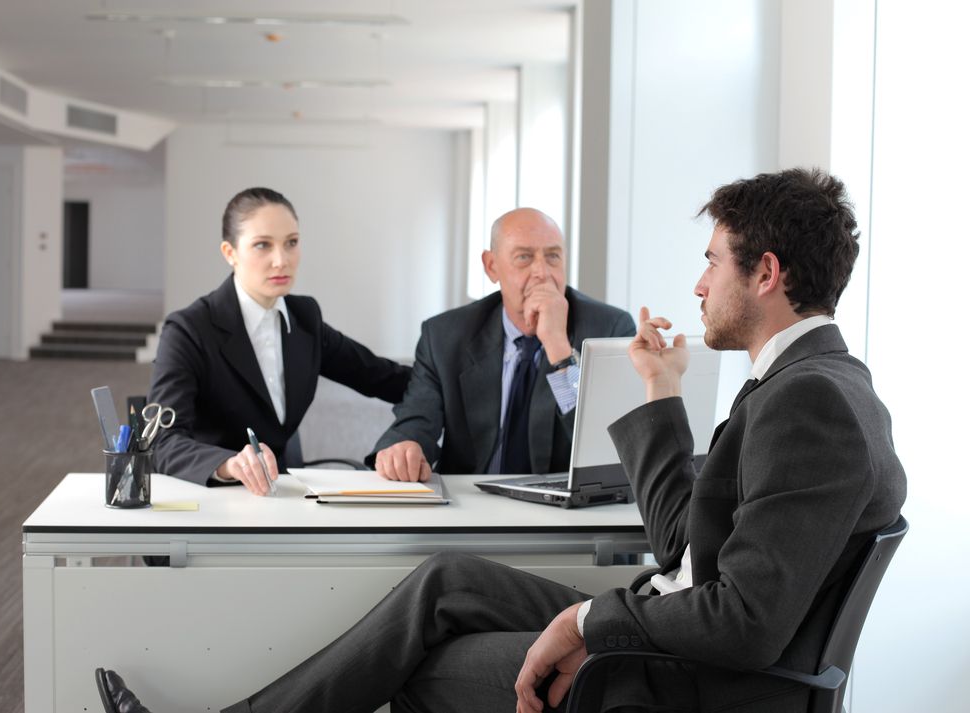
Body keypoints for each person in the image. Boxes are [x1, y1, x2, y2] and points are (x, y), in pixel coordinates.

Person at [96, 168, 906, 713]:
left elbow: (747, 624)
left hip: (688, 678)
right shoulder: (800, 384)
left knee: (417, 672)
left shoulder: (812, 406)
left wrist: (589, 622)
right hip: (671, 624)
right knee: (445, 580)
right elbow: (678, 543)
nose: (698, 283)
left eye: (711, 262)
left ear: (764, 273)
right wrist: (660, 394)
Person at [147, 187, 411, 494]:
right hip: (214, 496)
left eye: (291, 243)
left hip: (284, 491)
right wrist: (229, 464)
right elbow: (162, 441)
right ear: (230, 253)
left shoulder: (305, 317)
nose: (281, 260)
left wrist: (455, 378)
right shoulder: (189, 330)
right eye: (262, 245)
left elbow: (380, 376)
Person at [371, 207, 636, 481]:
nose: (542, 273)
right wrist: (405, 447)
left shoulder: (609, 329)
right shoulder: (445, 336)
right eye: (524, 257)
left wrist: (560, 351)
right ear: (491, 266)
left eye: (553, 256)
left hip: (563, 512)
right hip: (470, 504)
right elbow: (416, 420)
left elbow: (608, 446)